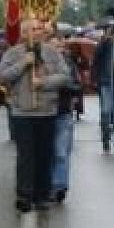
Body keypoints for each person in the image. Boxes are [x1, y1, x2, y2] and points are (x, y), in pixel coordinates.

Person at [0, 19, 70, 213]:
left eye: (38, 29)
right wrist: (23, 63)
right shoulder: (12, 53)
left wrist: (44, 82)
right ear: (23, 33)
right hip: (22, 111)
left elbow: (65, 76)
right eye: (32, 29)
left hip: (46, 110)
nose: (36, 32)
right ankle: (24, 194)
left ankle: (42, 194)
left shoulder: (52, 53)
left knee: (44, 154)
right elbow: (3, 77)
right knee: (25, 155)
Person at [50, 38, 83, 203]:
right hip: (44, 113)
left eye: (59, 45)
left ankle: (60, 186)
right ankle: (48, 185)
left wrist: (62, 85)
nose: (57, 48)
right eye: (53, 45)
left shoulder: (69, 63)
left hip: (63, 112)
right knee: (48, 152)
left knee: (61, 152)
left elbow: (78, 86)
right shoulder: (41, 62)